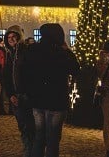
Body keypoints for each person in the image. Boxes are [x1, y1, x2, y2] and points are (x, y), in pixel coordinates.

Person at [17, 23, 80, 157]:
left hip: (37, 100)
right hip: (56, 101)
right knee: (53, 139)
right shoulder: (61, 52)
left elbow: (22, 72)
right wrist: (67, 49)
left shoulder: (32, 50)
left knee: (39, 136)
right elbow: (75, 69)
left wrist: (26, 92)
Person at [2, 25, 34, 157]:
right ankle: (28, 149)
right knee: (22, 126)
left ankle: (31, 151)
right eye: (8, 37)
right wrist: (10, 95)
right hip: (15, 97)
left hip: (27, 96)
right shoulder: (9, 54)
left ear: (19, 37)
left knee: (30, 126)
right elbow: (6, 77)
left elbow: (31, 74)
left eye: (13, 36)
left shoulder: (26, 52)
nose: (11, 39)